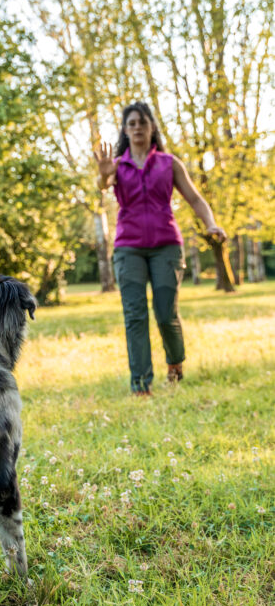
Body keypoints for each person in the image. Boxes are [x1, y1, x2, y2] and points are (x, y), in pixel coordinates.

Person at [95, 101, 226, 396]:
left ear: (152, 127)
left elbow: (194, 198)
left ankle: (175, 361)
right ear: (125, 131)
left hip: (166, 245)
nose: (138, 128)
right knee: (135, 314)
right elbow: (103, 185)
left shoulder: (169, 163)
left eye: (142, 122)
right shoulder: (117, 165)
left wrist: (211, 224)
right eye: (132, 124)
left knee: (166, 313)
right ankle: (141, 384)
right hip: (128, 247)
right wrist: (104, 174)